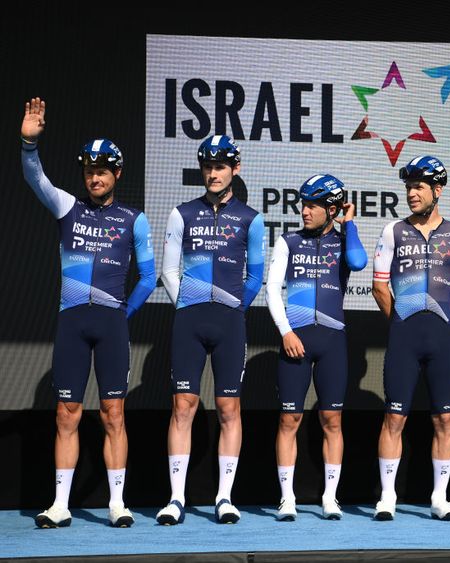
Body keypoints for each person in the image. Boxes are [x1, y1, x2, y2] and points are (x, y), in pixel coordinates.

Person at [21, 98, 156, 528]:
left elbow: (150, 277)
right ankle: (60, 505)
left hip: (111, 323)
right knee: (67, 414)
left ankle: (118, 502)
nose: (93, 177)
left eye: (102, 170)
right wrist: (28, 143)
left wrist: (122, 314)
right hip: (73, 322)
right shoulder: (67, 207)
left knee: (113, 413)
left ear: (117, 173)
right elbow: (35, 178)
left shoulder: (133, 218)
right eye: (88, 170)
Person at [157, 134, 265, 525]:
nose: (213, 173)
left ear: (235, 168)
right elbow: (168, 271)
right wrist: (186, 304)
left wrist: (235, 308)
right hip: (189, 319)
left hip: (229, 322)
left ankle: (224, 497)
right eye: (207, 166)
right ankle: (176, 498)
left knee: (227, 408)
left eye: (220, 166)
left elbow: (256, 276)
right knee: (182, 406)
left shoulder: (251, 218)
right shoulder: (181, 213)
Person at [371, 156, 450, 521]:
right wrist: (401, 322)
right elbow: (379, 287)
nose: (411, 194)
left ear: (437, 190)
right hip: (404, 338)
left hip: (443, 337)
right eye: (408, 187)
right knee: (393, 419)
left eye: (419, 187)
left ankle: (440, 497)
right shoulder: (392, 231)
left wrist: (447, 321)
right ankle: (387, 497)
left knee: (445, 420)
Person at [265, 174, 367, 521]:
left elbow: (357, 262)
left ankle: (329, 497)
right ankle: (287, 499)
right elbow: (272, 289)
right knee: (289, 418)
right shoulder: (288, 241)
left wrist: (349, 223)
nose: (304, 211)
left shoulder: (344, 242)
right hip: (295, 339)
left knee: (332, 420)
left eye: (312, 205)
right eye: (303, 204)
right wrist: (286, 332)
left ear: (332, 209)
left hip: (332, 341)